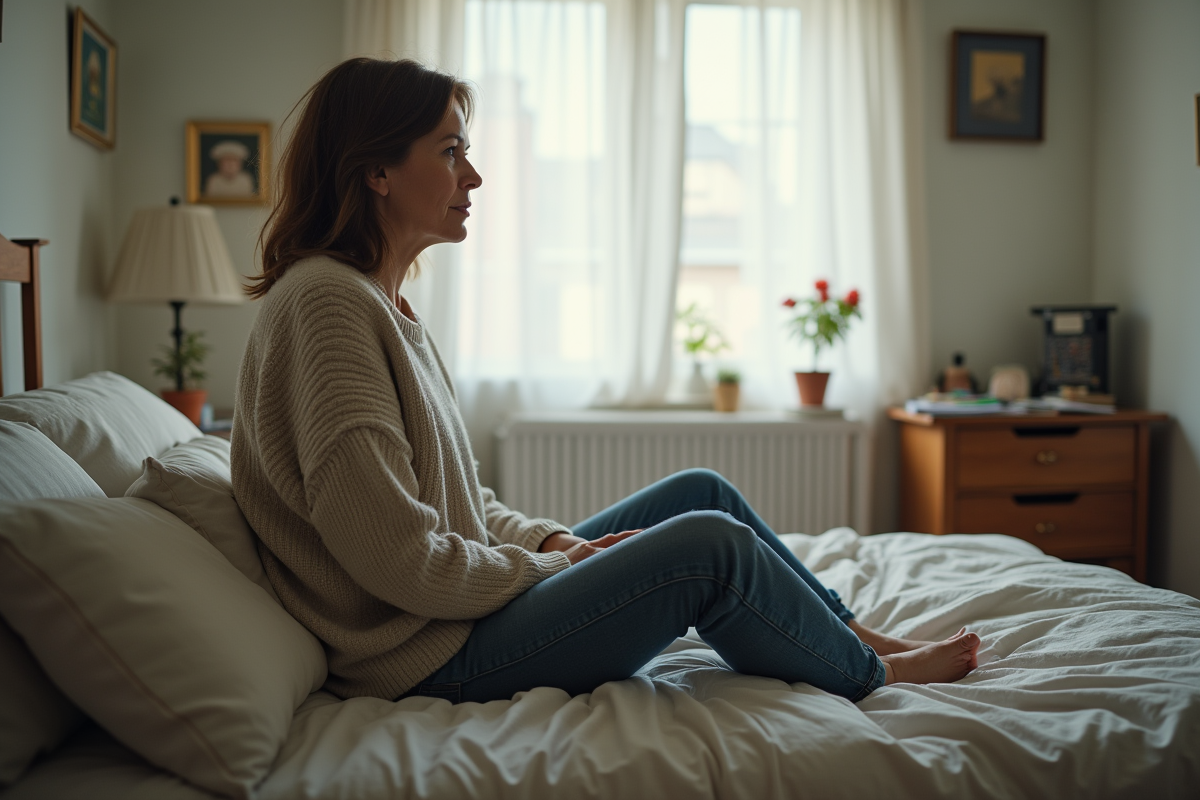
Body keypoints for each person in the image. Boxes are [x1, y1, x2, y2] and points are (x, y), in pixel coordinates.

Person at [232, 58, 980, 705]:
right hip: (427, 657)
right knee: (707, 547)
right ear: (377, 171)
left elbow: (460, 505)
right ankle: (870, 673)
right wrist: (548, 564)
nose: (475, 175)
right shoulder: (327, 306)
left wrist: (554, 540)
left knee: (700, 492)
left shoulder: (383, 306)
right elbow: (396, 557)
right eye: (451, 151)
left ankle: (854, 633)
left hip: (454, 617)